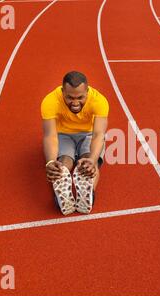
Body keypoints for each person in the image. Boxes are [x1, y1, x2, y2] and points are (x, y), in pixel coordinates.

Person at [41, 71, 109, 215]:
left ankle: (89, 193)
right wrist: (51, 162)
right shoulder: (50, 101)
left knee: (88, 164)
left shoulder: (99, 101)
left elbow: (98, 134)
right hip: (63, 134)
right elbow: (50, 136)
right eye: (70, 97)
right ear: (62, 91)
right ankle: (62, 194)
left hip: (89, 134)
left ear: (87, 91)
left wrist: (92, 159)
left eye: (80, 97)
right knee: (64, 164)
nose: (75, 102)